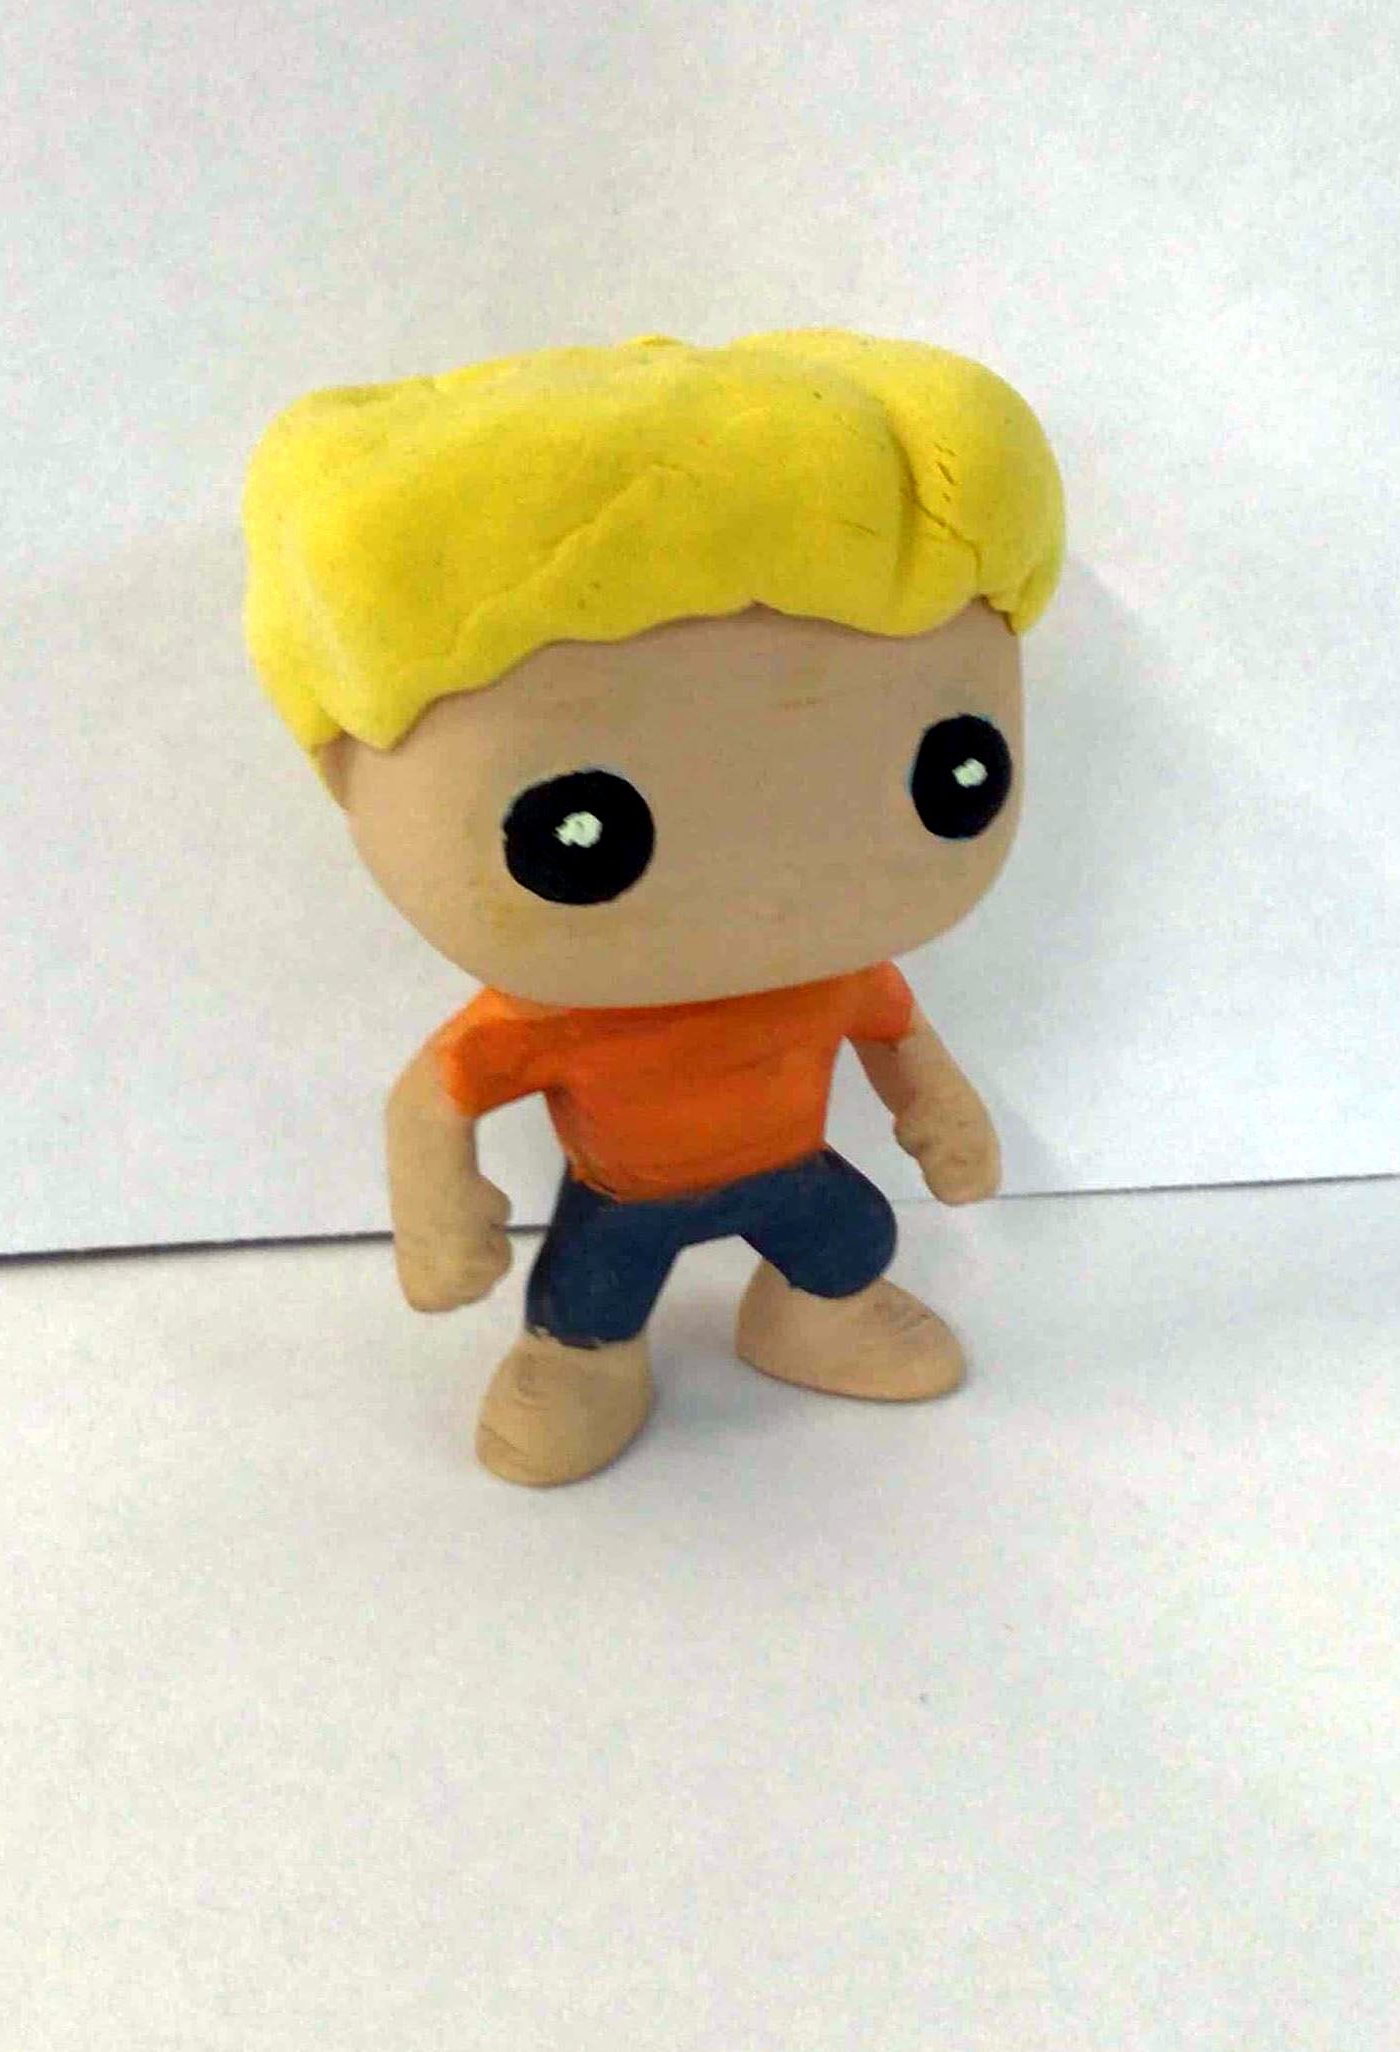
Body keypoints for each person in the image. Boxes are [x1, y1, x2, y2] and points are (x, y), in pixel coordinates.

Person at [242, 329, 1064, 1485]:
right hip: (622, 1196)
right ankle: (585, 1363)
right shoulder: (549, 1016)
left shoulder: (833, 976)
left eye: (954, 771)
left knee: (851, 1237)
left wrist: (941, 1104)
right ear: (346, 775)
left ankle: (810, 1315)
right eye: (576, 829)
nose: (772, 883)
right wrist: (436, 1206)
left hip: (788, 1168)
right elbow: (431, 1100)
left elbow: (894, 1036)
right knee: (589, 1296)